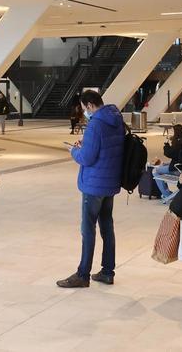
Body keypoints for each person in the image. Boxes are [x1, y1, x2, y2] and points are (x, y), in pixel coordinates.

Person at [57, 90, 124, 288]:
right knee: (107, 228)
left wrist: (74, 151)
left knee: (88, 229)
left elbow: (86, 158)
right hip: (110, 181)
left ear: (89, 105)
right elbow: (104, 147)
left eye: (84, 108)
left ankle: (83, 274)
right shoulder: (115, 119)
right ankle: (107, 271)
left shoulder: (95, 123)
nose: (84, 111)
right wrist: (85, 145)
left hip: (94, 183)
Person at [153, 126, 182, 202]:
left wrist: (166, 146)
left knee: (155, 170)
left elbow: (169, 153)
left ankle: (166, 194)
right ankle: (167, 193)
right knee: (163, 165)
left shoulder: (179, 143)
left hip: (177, 170)